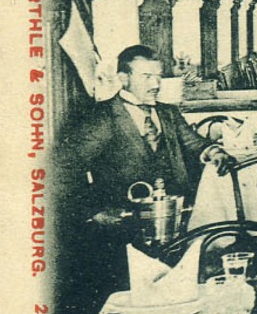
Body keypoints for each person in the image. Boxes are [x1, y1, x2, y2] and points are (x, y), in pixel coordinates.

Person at [73, 44, 234, 224]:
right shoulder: (103, 116)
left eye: (159, 76)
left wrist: (215, 152)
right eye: (147, 77)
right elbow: (67, 166)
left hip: (174, 213)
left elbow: (195, 144)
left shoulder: (168, 112)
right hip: (127, 220)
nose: (156, 84)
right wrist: (95, 212)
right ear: (123, 78)